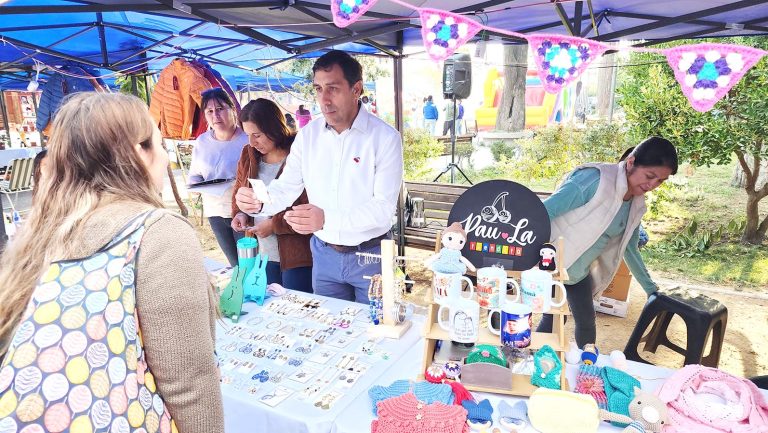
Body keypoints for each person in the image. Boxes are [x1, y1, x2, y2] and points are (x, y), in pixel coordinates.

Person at [0, 92, 223, 432]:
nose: (165, 158)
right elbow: (188, 384)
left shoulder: (39, 235)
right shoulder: (158, 233)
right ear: (139, 151)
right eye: (160, 145)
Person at [235, 50, 403, 303]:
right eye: (317, 89)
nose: (324, 99)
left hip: (371, 255)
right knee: (330, 328)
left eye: (333, 88)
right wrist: (259, 201)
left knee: (376, 329)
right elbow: (286, 186)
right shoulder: (308, 135)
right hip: (323, 254)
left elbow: (383, 208)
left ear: (356, 89)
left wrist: (325, 219)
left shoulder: (385, 138)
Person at [536, 136, 678, 348]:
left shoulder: (635, 204)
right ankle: (529, 361)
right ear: (631, 162)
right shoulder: (595, 180)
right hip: (554, 268)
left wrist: (651, 289)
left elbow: (629, 248)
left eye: (660, 181)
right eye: (650, 176)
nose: (652, 185)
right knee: (555, 319)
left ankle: (588, 369)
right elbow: (544, 211)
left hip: (579, 274)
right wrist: (531, 255)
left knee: (586, 322)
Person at [230, 99, 313, 292]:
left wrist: (274, 225)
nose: (252, 142)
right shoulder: (248, 154)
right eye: (248, 135)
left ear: (274, 128)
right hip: (261, 253)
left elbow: (308, 205)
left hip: (296, 255)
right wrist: (241, 213)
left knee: (296, 309)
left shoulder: (298, 154)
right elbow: (239, 190)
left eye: (257, 135)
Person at [188, 87, 247, 266]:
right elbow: (195, 176)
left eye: (220, 109)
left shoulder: (247, 140)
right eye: (210, 111)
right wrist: (195, 186)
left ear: (232, 109)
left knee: (248, 263)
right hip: (214, 211)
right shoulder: (202, 142)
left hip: (243, 212)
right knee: (234, 265)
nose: (216, 116)